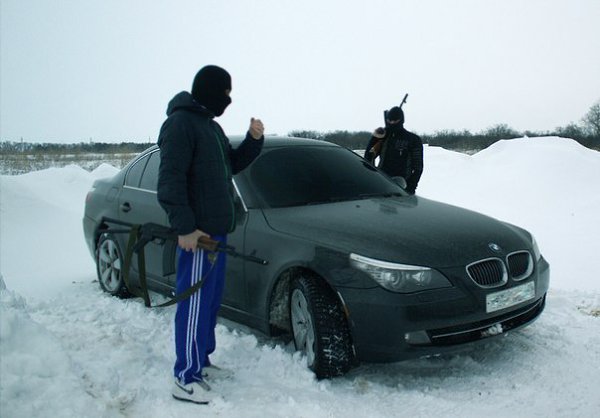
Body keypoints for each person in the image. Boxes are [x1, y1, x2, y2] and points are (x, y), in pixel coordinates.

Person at [157, 65, 264, 404]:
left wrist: (253, 141)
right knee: (193, 303)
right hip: (198, 235)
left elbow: (230, 164)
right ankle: (185, 377)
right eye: (225, 93)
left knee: (210, 302)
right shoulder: (180, 124)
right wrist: (185, 227)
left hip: (217, 232)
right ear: (209, 90)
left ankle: (201, 361)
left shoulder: (210, 127)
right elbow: (170, 182)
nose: (228, 100)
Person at [364, 105, 423, 194]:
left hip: (402, 186)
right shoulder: (384, 138)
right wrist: (374, 138)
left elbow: (418, 167)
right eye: (389, 120)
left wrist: (411, 187)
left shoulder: (413, 139)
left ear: (401, 120)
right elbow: (368, 157)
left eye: (395, 120)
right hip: (381, 183)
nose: (392, 123)